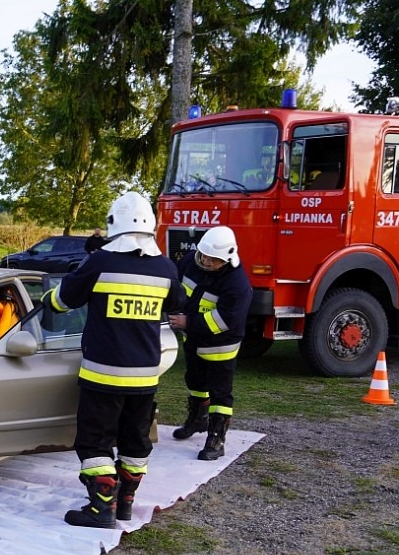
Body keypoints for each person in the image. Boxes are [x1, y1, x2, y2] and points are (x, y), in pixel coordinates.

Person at [45, 192, 184, 528]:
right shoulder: (166, 268)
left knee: (95, 440)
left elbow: (63, 302)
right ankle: (125, 504)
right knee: (136, 442)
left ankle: (100, 508)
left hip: (103, 376)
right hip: (145, 379)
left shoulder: (100, 262)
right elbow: (178, 303)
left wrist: (50, 296)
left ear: (113, 224)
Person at [168, 226, 252, 460]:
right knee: (194, 381)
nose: (206, 261)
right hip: (194, 339)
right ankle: (198, 420)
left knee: (220, 393)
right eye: (204, 255)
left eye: (213, 259)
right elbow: (176, 288)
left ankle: (217, 438)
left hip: (221, 345)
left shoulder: (237, 284)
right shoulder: (189, 262)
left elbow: (226, 320)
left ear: (226, 259)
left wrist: (188, 321)